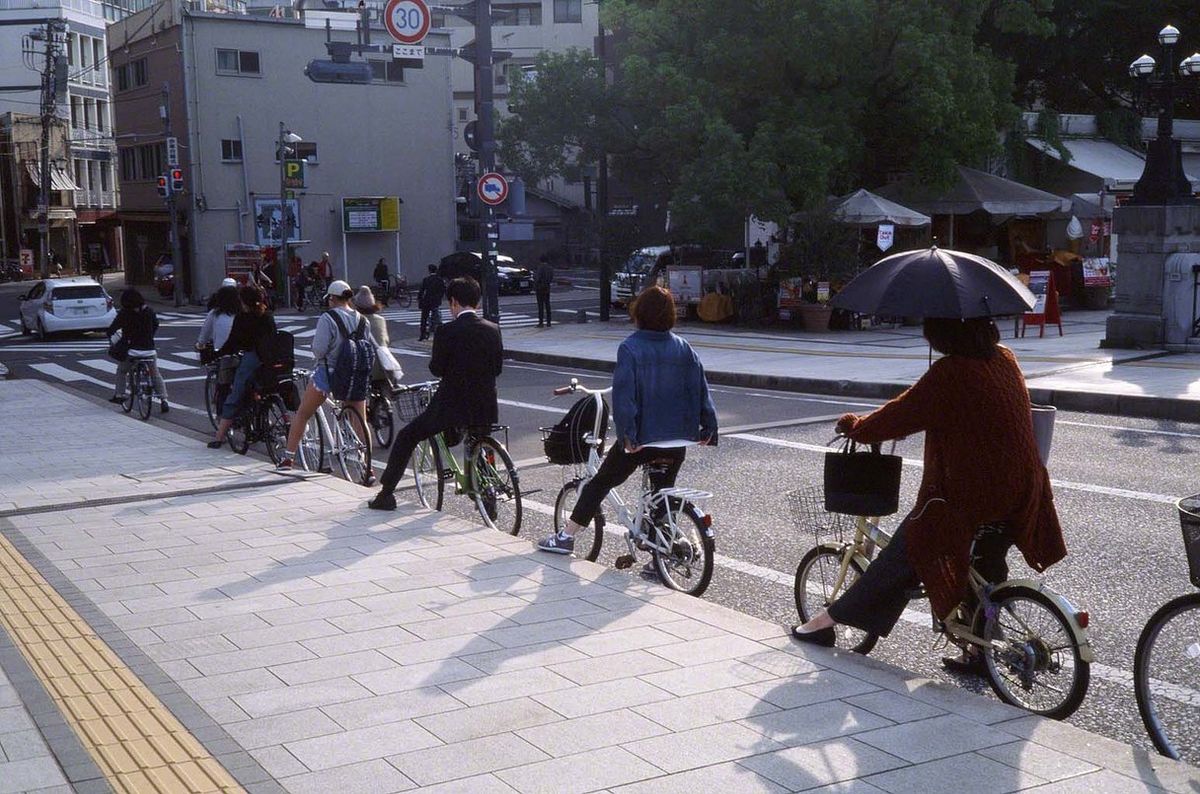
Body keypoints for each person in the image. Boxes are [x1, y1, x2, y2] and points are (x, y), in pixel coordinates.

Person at [790, 317, 1067, 672]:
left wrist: (857, 428)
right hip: (1023, 491)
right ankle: (981, 649)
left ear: (942, 334)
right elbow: (968, 415)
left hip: (974, 494)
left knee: (909, 549)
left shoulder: (950, 372)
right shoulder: (1005, 358)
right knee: (984, 564)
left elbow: (901, 413)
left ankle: (827, 620)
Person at [538, 286, 718, 556]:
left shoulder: (631, 348)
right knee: (661, 496)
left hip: (644, 439)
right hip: (676, 440)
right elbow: (700, 390)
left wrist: (628, 436)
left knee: (600, 483)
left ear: (639, 313)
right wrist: (709, 427)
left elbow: (625, 398)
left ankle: (566, 537)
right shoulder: (684, 348)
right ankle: (662, 554)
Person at [368, 277, 501, 510]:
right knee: (479, 440)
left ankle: (386, 494)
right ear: (477, 302)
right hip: (486, 403)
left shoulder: (446, 331)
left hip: (451, 405)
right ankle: (488, 496)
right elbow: (497, 368)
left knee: (407, 436)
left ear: (454, 302)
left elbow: (437, 369)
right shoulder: (493, 329)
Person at [277, 280, 374, 477]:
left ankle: (288, 458)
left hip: (328, 373)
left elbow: (319, 350)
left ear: (331, 298)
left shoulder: (328, 318)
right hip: (355, 373)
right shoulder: (363, 320)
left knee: (303, 413)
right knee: (361, 422)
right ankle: (368, 467)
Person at [208, 286, 277, 448]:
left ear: (244, 302)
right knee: (264, 391)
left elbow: (232, 342)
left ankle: (219, 437)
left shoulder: (243, 318)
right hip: (271, 361)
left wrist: (216, 354)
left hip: (252, 360)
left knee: (234, 396)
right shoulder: (267, 316)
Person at [107, 288, 169, 413]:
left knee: (122, 370)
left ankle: (119, 394)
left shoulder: (125, 313)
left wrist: (111, 336)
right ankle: (164, 400)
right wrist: (149, 336)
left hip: (132, 351)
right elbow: (156, 324)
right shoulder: (149, 311)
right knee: (155, 374)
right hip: (149, 350)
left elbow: (113, 328)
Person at [353, 285, 395, 391]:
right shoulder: (380, 320)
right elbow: (386, 341)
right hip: (384, 367)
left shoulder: (355, 321)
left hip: (365, 369)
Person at [417, 264, 445, 341]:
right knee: (436, 317)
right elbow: (443, 290)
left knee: (424, 318)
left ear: (429, 271)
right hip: (435, 301)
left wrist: (419, 298)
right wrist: (439, 298)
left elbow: (422, 290)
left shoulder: (426, 280)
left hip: (427, 301)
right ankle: (438, 333)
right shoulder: (440, 280)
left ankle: (422, 334)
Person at [535, 254, 554, 327]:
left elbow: (538, 278)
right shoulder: (550, 268)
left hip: (540, 288)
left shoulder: (540, 268)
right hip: (547, 288)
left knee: (540, 306)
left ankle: (541, 322)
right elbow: (551, 277)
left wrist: (536, 285)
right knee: (547, 305)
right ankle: (549, 322)